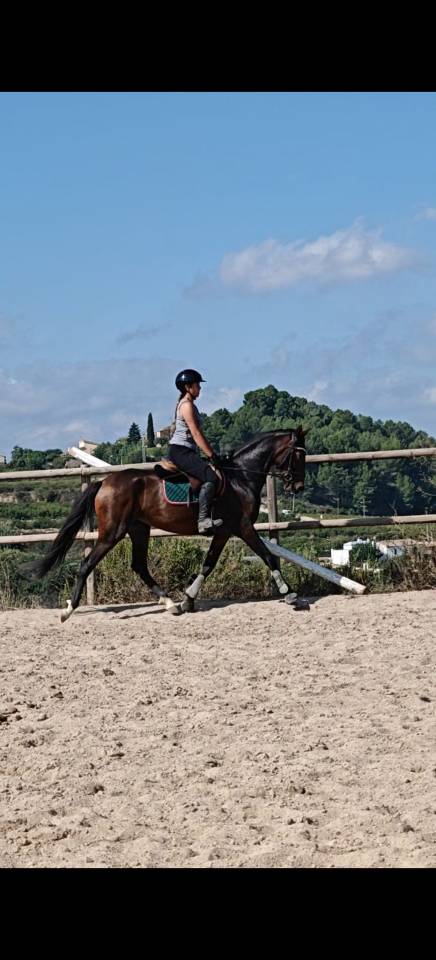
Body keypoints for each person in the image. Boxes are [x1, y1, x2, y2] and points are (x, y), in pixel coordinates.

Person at [168, 369, 223, 534]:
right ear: (188, 387)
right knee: (211, 477)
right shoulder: (186, 406)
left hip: (187, 451)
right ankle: (203, 520)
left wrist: (211, 453)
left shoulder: (189, 404)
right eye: (197, 385)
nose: (200, 387)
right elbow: (196, 434)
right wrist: (212, 455)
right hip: (181, 451)